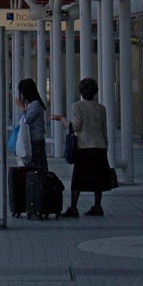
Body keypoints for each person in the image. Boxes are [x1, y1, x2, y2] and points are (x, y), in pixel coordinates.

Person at [51, 77, 114, 217]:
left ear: (81, 91)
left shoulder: (77, 106)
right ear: (95, 92)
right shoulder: (101, 108)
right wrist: (105, 145)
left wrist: (62, 120)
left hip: (84, 146)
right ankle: (98, 205)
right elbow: (104, 128)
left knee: (78, 178)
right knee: (99, 178)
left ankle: (73, 207)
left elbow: (75, 126)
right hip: (100, 146)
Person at [14, 78, 48, 171]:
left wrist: (22, 109)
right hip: (32, 140)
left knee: (37, 166)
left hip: (36, 140)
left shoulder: (35, 104)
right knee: (32, 166)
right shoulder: (31, 104)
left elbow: (27, 120)